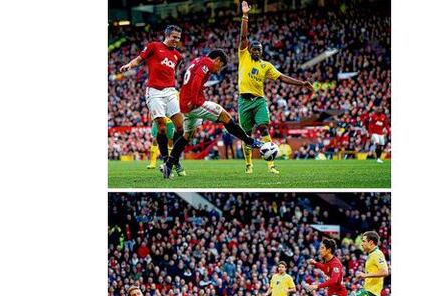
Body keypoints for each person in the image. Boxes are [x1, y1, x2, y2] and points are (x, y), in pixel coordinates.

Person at [237, 2, 315, 175]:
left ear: (262, 52)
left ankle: (271, 165)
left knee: (264, 127)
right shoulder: (244, 57)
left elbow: (282, 78)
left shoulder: (266, 66)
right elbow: (243, 38)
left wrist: (302, 83)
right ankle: (249, 164)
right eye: (254, 49)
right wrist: (245, 16)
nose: (256, 51)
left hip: (258, 101)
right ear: (249, 50)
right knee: (246, 134)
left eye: (259, 50)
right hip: (243, 101)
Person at [162, 49, 264, 178]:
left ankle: (169, 164)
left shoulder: (197, 60)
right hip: (194, 104)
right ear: (217, 60)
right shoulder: (208, 62)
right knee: (225, 117)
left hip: (184, 104)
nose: (219, 69)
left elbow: (191, 79)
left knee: (187, 136)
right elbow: (196, 80)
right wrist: (194, 100)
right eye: (220, 66)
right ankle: (249, 140)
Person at [119, 25, 186, 172]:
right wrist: (129, 65)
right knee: (161, 128)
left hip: (170, 91)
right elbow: (139, 59)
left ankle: (174, 158)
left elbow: (172, 71)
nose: (176, 40)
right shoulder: (154, 46)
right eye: (174, 37)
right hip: (154, 92)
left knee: (181, 127)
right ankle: (166, 161)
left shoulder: (178, 56)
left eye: (178, 38)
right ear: (167, 35)